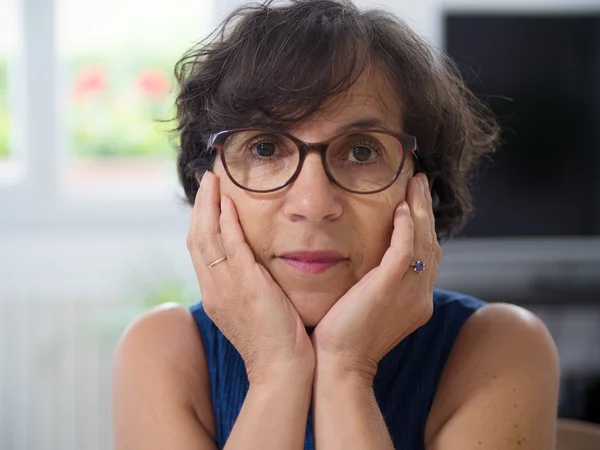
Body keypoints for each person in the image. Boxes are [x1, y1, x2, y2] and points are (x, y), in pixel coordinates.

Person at [111, 1, 560, 449]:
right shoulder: (162, 352)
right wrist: (275, 369)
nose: (312, 203)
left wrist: (347, 368)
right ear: (208, 183)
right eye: (265, 149)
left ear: (422, 187)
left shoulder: (501, 349)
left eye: (362, 151)